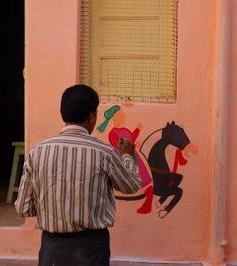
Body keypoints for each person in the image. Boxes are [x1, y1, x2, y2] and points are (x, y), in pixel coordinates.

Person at [14, 84, 142, 266]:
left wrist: (51, 209)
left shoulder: (37, 153)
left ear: (63, 114)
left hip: (52, 248)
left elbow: (23, 208)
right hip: (91, 248)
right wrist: (127, 155)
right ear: (92, 116)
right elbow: (131, 186)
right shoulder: (104, 152)